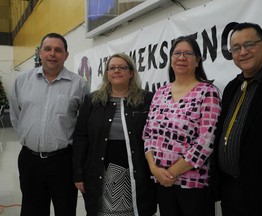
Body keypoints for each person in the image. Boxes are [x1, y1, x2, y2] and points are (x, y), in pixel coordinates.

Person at [212, 22, 262, 216]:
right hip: (232, 193)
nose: (243, 52)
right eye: (236, 48)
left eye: (249, 45)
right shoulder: (231, 88)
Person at [10, 33, 88, 216]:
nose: (52, 54)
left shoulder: (79, 84)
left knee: (65, 209)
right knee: (31, 210)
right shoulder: (22, 81)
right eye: (48, 49)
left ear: (66, 55)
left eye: (58, 50)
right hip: (30, 161)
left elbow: (83, 125)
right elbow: (16, 116)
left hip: (63, 162)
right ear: (40, 53)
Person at [142, 36, 221, 216]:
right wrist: (154, 169)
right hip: (161, 183)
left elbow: (206, 141)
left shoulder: (208, 92)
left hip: (193, 185)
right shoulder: (160, 93)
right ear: (170, 59)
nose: (181, 57)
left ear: (198, 60)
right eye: (177, 53)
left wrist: (170, 173)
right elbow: (147, 134)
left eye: (188, 53)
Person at [73, 53, 157, 216]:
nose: (116, 71)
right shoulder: (92, 100)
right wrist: (78, 173)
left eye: (122, 67)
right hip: (101, 172)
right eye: (112, 68)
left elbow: (155, 136)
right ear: (106, 73)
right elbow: (81, 137)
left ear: (131, 72)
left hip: (137, 171)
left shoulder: (147, 99)